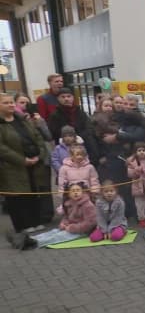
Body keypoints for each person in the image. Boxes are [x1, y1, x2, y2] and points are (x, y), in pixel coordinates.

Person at [0, 92, 52, 235]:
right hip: (12, 167)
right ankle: (22, 225)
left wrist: (39, 155)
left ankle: (36, 221)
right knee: (18, 197)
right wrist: (22, 160)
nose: (10, 105)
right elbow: (2, 148)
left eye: (11, 102)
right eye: (6, 103)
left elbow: (37, 137)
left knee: (34, 193)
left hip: (34, 163)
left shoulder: (23, 119)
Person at [46, 88, 99, 164]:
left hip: (83, 145)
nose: (66, 99)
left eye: (68, 96)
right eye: (63, 97)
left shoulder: (80, 112)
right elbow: (54, 132)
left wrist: (79, 137)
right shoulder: (54, 115)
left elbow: (88, 128)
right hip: (65, 148)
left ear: (73, 98)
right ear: (58, 99)